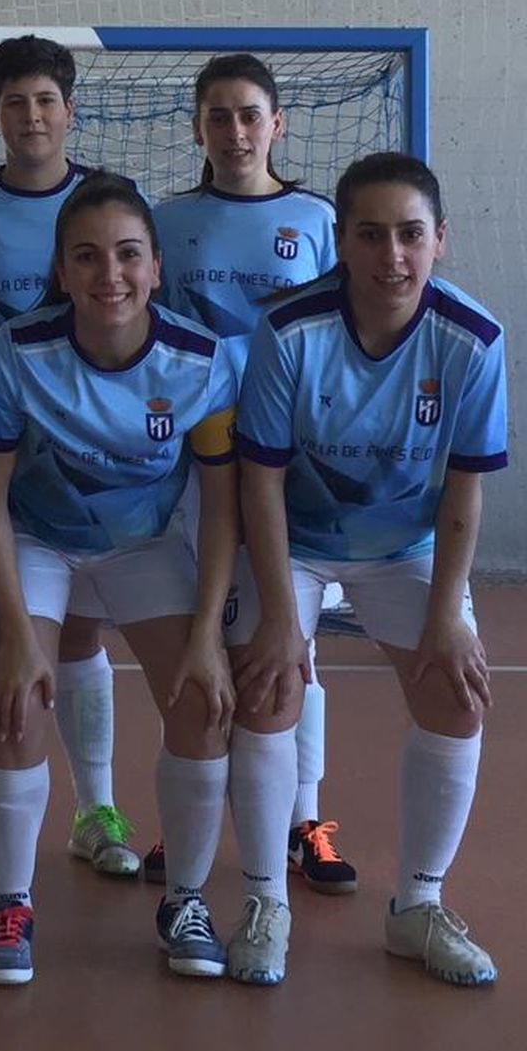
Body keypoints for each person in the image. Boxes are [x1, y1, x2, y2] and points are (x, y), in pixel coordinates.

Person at [232, 151, 507, 986]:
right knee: (269, 687)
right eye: (372, 234)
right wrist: (283, 615)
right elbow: (261, 484)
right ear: (341, 244)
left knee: (456, 696)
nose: (393, 255)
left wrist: (448, 614)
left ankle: (417, 905)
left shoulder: (474, 339)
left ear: (440, 242)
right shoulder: (286, 332)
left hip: (406, 547)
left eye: (411, 235)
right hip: (296, 541)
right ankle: (264, 900)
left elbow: (463, 493)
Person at [0, 172, 241, 985]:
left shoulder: (201, 361)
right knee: (15, 702)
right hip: (36, 539)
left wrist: (205, 636)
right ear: (60, 271)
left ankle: (186, 898)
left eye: (128, 255)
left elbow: (222, 503)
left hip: (144, 545)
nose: (109, 275)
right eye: (86, 257)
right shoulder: (14, 353)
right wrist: (16, 635)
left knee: (201, 702)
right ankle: (10, 901)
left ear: (158, 266)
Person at [0, 35, 138, 880]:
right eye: (15, 103)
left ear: (71, 110)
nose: (31, 117)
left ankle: (97, 806)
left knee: (82, 633)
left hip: (91, 454)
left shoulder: (110, 204)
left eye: (46, 101)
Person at [151, 52, 355, 895]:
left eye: (249, 115)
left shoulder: (317, 218)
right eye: (217, 116)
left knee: (288, 642)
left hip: (287, 464)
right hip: (196, 464)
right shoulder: (166, 221)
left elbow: (341, 338)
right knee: (208, 639)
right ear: (197, 129)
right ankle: (192, 820)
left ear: (277, 125)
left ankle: (305, 816)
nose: (235, 131)